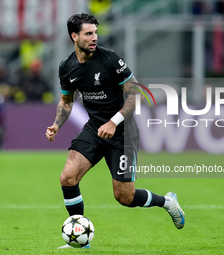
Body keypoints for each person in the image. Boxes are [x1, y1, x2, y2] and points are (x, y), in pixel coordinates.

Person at [45, 13, 185, 249]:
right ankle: (80, 238)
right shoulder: (66, 67)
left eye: (95, 33)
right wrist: (57, 124)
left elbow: (135, 95)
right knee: (67, 177)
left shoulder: (110, 60)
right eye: (88, 34)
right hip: (95, 127)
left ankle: (167, 202)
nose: (94, 38)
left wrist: (114, 121)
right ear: (74, 36)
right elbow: (67, 101)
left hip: (123, 131)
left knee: (124, 197)